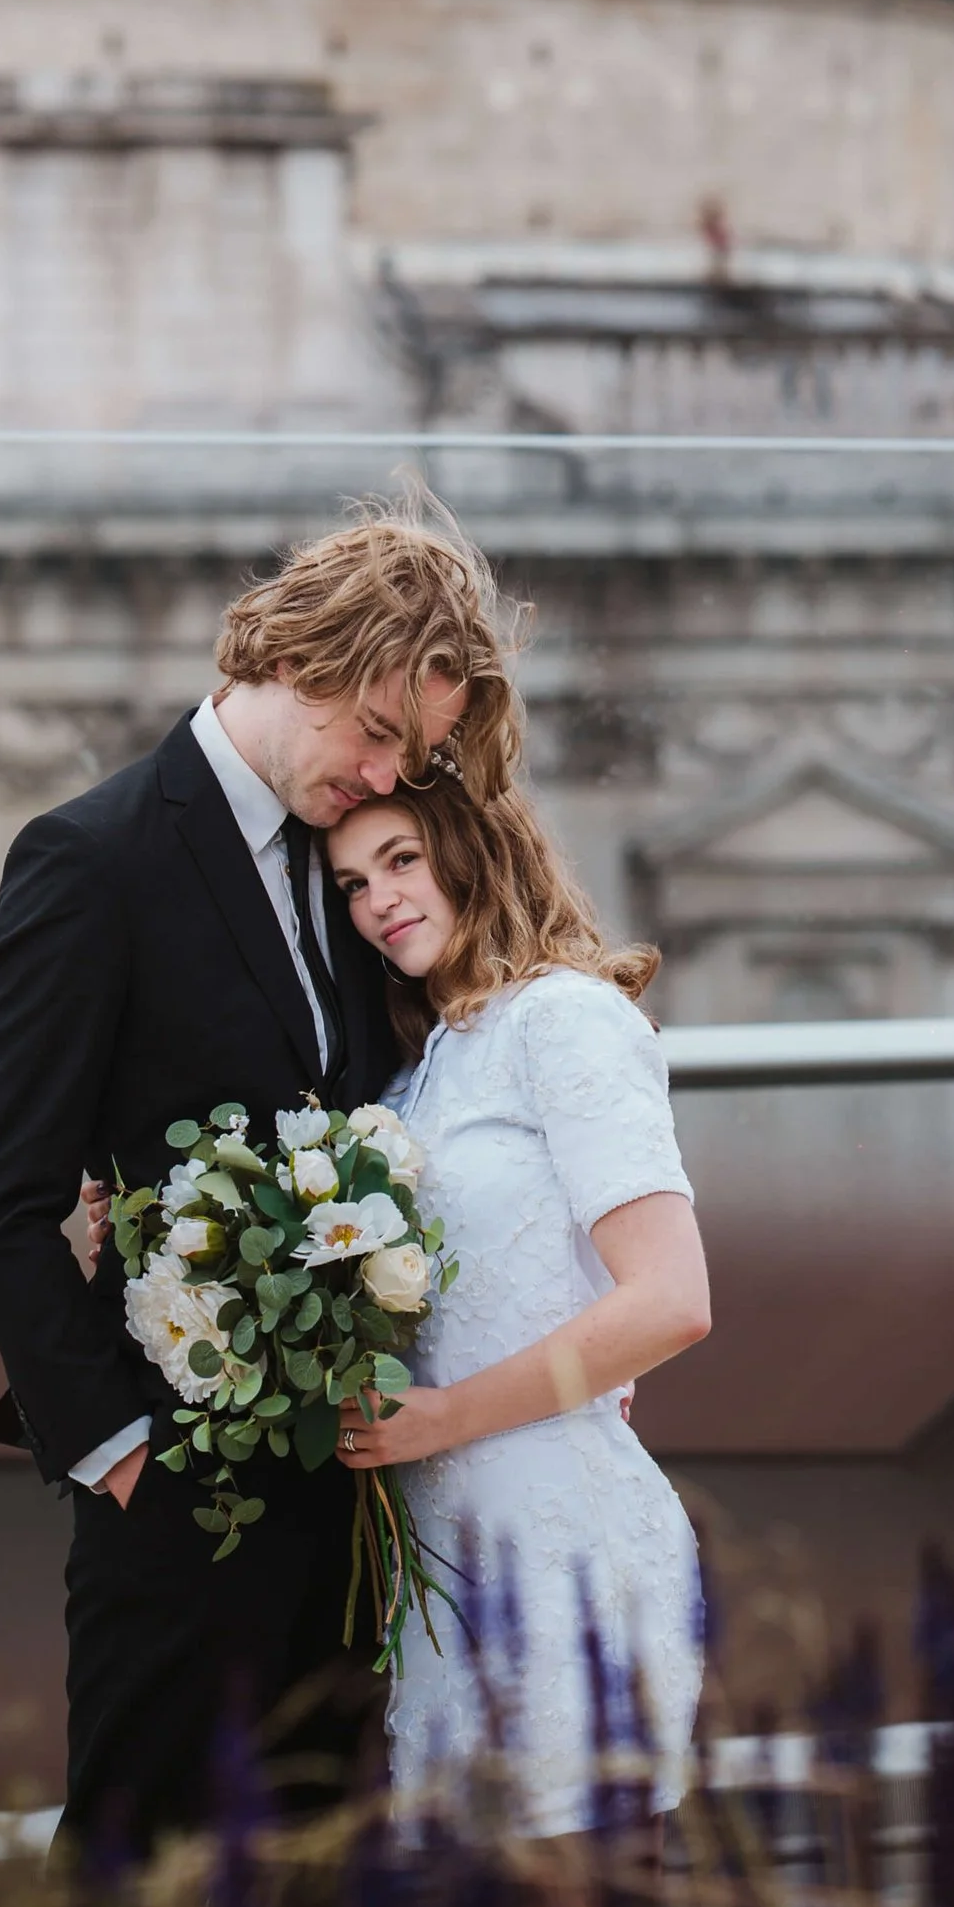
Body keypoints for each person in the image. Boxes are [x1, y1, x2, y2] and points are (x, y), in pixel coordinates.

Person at [0, 499, 522, 1861]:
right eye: (379, 729)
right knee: (130, 1896)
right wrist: (119, 1453)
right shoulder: (90, 859)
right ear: (295, 658)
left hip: (354, 1496)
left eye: (416, 750)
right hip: (175, 1496)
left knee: (332, 1900)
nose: (388, 771)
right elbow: (3, 1200)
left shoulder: (348, 864)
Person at [325, 765, 710, 1833]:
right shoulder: (422, 1069)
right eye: (352, 883)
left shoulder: (568, 1023)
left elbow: (671, 1300)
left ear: (474, 850)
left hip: (559, 1549)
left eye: (400, 860)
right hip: (435, 1567)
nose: (378, 900)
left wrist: (444, 1416)